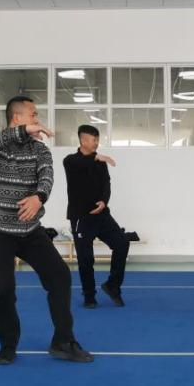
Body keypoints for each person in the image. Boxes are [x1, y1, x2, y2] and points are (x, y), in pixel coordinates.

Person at [0, 96, 93, 365]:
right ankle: (8, 345)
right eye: (33, 114)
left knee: (60, 277)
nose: (37, 120)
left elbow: (47, 176)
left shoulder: (39, 149)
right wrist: (22, 131)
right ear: (16, 117)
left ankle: (63, 341)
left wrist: (39, 197)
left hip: (30, 230)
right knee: (2, 290)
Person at [63, 125, 130, 308]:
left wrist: (103, 201)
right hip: (81, 218)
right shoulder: (70, 161)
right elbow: (81, 164)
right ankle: (89, 295)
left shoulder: (100, 162)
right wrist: (96, 157)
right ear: (83, 140)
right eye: (94, 140)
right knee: (86, 259)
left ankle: (112, 286)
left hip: (102, 216)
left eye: (98, 139)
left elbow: (106, 184)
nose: (96, 143)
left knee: (122, 243)